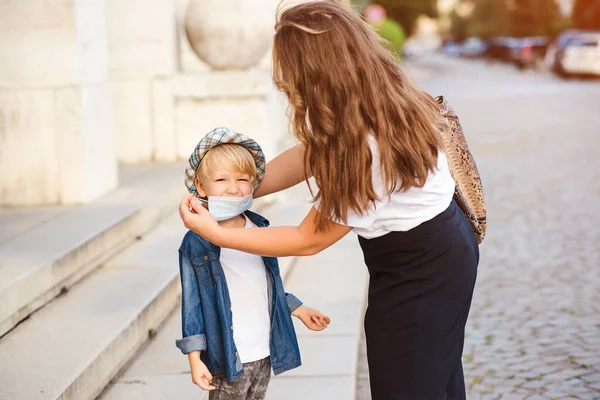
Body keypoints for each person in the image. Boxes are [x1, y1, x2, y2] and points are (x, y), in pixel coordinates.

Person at [179, 2, 479, 399]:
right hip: (442, 247)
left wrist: (216, 232)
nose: (285, 83)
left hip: (420, 269)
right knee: (434, 377)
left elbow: (310, 239)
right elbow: (309, 155)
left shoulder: (362, 148)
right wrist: (239, 188)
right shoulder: (376, 97)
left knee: (408, 384)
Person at [176, 127, 330, 400]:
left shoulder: (258, 226)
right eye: (221, 179)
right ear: (201, 186)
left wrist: (298, 308)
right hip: (229, 357)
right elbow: (193, 305)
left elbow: (262, 283)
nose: (233, 188)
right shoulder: (197, 242)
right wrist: (194, 358)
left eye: (243, 179)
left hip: (263, 352)